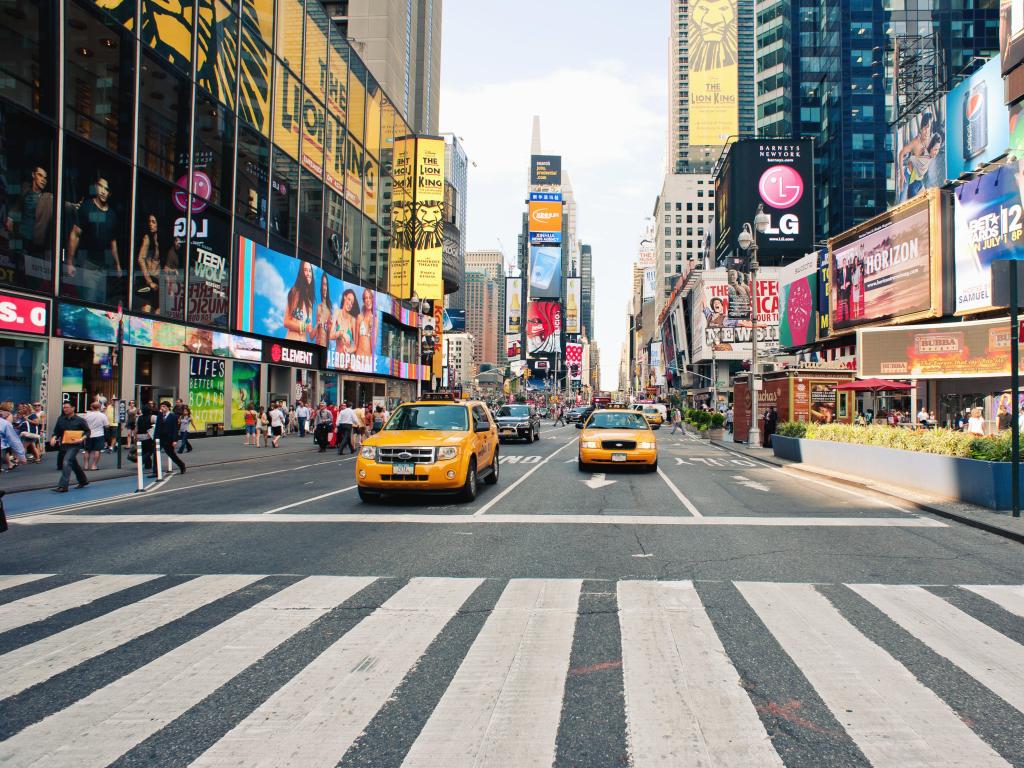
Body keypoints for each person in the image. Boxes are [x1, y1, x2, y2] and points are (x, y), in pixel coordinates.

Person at [66, 175, 123, 305]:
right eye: (101, 186)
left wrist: (118, 264)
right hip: (87, 265)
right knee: (89, 305)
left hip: (103, 269)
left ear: (110, 193)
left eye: (106, 189)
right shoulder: (86, 207)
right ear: (96, 187)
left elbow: (113, 242)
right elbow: (75, 234)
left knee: (100, 305)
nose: (103, 191)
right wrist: (69, 261)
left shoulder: (112, 216)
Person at [49, 402, 89, 492]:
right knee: (73, 463)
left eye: (67, 407)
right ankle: (83, 480)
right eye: (64, 407)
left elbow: (87, 431)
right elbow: (57, 431)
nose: (65, 409)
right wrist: (54, 437)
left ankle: (63, 486)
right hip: (64, 444)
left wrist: (82, 439)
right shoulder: (61, 419)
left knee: (66, 461)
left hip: (75, 445)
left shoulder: (80, 420)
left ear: (73, 408)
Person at [284, 261, 315, 342]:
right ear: (301, 273)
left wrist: (319, 325)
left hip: (304, 346)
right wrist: (303, 327)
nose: (308, 273)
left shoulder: (310, 302)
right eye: (305, 270)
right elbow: (286, 322)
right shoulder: (294, 292)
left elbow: (309, 331)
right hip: (291, 343)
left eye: (310, 270)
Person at [154, 401, 185, 475]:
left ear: (168, 408)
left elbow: (175, 429)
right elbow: (157, 427)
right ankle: (155, 471)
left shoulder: (173, 416)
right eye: (161, 406)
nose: (162, 408)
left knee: (171, 454)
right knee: (155, 453)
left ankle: (181, 465)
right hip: (160, 438)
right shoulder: (160, 416)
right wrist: (155, 438)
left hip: (169, 438)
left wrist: (175, 440)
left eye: (164, 406)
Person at [82, 401, 109, 471]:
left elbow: (83, 424)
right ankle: (94, 465)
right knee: (97, 450)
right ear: (99, 407)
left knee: (87, 450)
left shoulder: (87, 415)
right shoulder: (102, 415)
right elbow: (107, 425)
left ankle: (86, 465)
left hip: (89, 435)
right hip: (99, 434)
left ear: (92, 407)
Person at [0, 406, 26, 472]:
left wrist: (21, 455)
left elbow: (13, 439)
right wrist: (21, 455)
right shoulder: (4, 423)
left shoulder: (4, 423)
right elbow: (13, 440)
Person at [135, 403, 155, 472]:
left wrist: (135, 437)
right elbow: (159, 423)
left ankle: (148, 465)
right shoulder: (152, 417)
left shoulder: (139, 418)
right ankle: (142, 460)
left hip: (139, 436)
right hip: (148, 436)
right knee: (150, 450)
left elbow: (136, 428)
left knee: (144, 450)